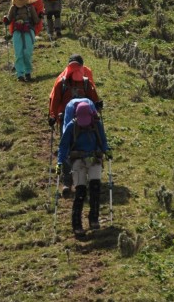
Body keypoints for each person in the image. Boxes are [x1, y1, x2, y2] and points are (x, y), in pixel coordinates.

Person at [48, 55, 103, 195]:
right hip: (77, 121)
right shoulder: (74, 82)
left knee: (66, 146)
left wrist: (53, 116)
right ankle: (71, 180)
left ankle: (74, 180)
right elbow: (94, 99)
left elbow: (54, 101)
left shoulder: (65, 82)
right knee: (81, 145)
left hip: (70, 120)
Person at [56, 98, 110, 236]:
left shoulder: (97, 124)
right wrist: (60, 162)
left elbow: (103, 140)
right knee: (80, 191)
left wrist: (107, 150)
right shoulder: (71, 127)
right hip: (78, 159)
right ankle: (76, 224)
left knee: (95, 187)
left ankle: (94, 219)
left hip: (94, 158)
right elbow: (63, 146)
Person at [3, 0, 40, 82]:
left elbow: (36, 21)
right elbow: (9, 20)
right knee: (18, 53)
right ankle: (20, 74)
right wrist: (6, 20)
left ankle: (27, 72)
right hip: (17, 31)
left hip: (28, 30)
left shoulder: (30, 7)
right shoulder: (13, 8)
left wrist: (40, 16)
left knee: (27, 52)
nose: (21, 0)